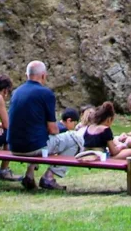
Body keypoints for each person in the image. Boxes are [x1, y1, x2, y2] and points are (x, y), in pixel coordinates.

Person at [7, 60, 81, 191]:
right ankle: (49, 177)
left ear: (27, 75)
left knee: (38, 137)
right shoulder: (45, 93)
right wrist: (60, 130)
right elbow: (53, 129)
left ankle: (29, 175)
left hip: (14, 146)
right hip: (33, 148)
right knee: (75, 138)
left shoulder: (16, 92)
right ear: (43, 76)